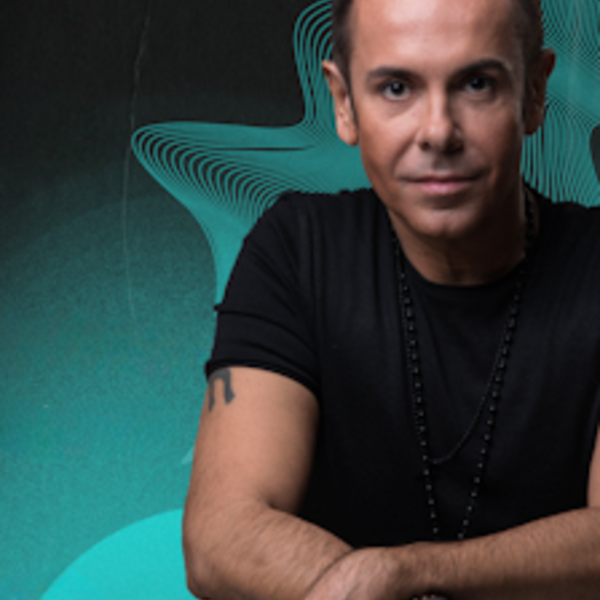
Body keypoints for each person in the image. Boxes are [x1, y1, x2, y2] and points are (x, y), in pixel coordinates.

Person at [182, 0, 600, 598]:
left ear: (534, 92)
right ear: (343, 102)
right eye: (397, 88)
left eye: (477, 84)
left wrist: (408, 574)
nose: (437, 131)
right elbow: (221, 534)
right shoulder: (296, 251)